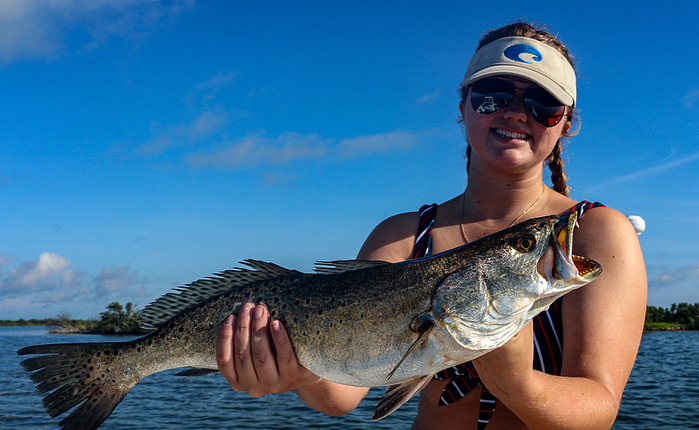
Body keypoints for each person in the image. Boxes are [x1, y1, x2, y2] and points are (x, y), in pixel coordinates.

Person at [215, 21, 647, 430]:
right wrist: (295, 373)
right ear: (463, 106)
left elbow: (599, 409)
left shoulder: (594, 232)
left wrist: (517, 380)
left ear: (566, 122)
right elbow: (343, 395)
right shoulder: (401, 236)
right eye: (493, 95)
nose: (516, 113)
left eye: (542, 103)